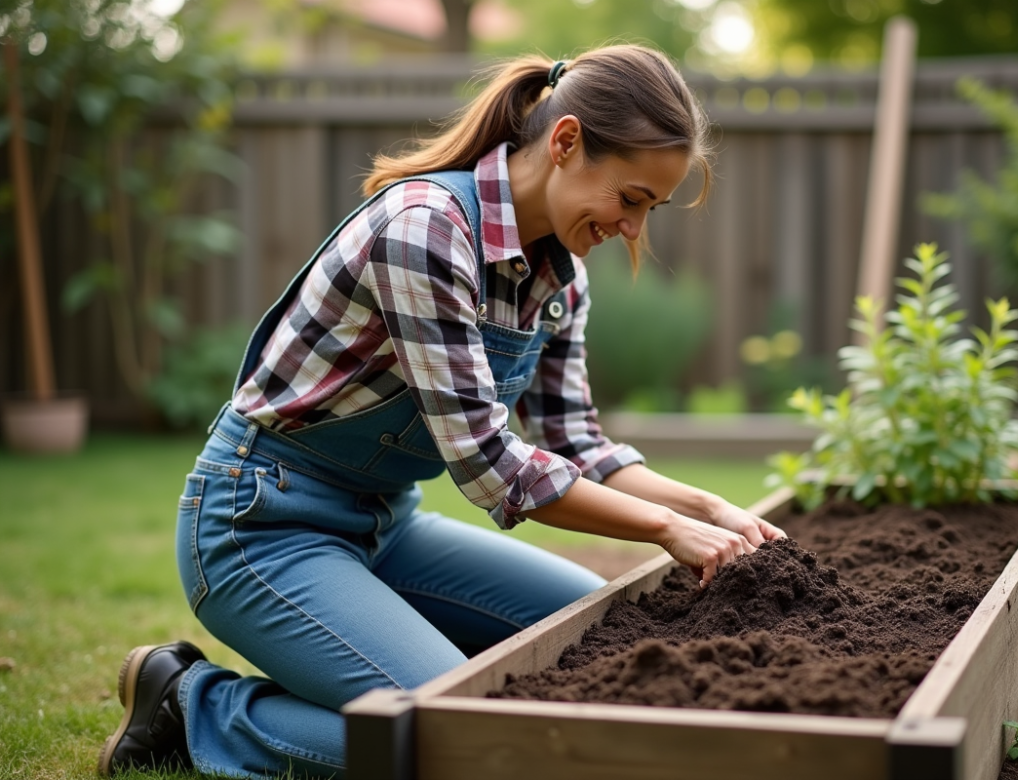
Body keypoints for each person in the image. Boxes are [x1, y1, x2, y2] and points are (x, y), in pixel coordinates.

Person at [98, 43, 786, 779]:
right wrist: (667, 530)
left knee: (608, 642)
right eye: (629, 199)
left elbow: (576, 443)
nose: (631, 230)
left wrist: (706, 506)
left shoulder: (560, 279)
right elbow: (490, 467)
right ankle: (193, 706)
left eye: (647, 209)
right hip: (261, 527)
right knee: (468, 746)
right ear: (565, 142)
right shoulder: (425, 230)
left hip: (387, 526)